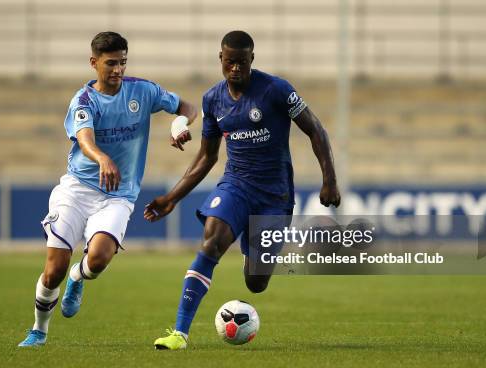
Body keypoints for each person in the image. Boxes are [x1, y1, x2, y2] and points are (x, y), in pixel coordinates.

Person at [144, 30, 341, 350]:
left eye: (242, 62)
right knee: (212, 240)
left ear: (252, 60)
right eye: (229, 61)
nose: (235, 67)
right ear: (220, 60)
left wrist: (329, 179)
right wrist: (172, 198)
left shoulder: (276, 90)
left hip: (274, 196)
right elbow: (207, 157)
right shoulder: (213, 99)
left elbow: (315, 129)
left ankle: (253, 251)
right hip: (235, 185)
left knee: (256, 282)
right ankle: (180, 333)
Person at [18, 31, 197, 347]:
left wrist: (178, 126)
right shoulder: (84, 101)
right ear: (94, 63)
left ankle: (79, 277)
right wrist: (102, 158)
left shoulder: (143, 91)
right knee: (53, 270)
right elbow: (84, 138)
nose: (118, 69)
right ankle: (39, 330)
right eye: (111, 63)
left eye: (123, 62)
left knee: (98, 259)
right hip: (77, 189)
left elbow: (187, 107)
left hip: (118, 193)